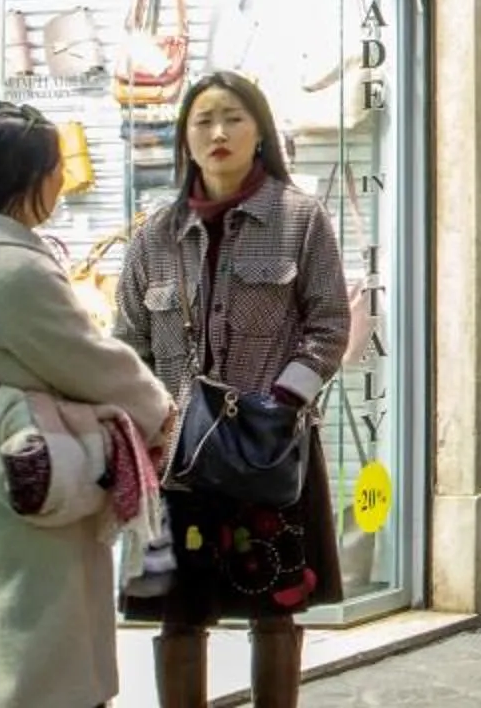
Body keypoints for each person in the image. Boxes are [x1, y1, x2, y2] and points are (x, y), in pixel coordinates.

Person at [114, 72, 351, 708]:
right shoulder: (153, 237)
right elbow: (128, 343)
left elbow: (329, 325)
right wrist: (153, 421)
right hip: (177, 458)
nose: (218, 133)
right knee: (178, 613)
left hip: (269, 450)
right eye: (203, 120)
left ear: (260, 130)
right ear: (184, 137)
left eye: (234, 117)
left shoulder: (299, 219)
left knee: (273, 607)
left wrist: (281, 406)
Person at [0, 106, 172, 708]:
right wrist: (159, 411)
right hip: (38, 500)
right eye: (58, 168)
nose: (63, 181)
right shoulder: (13, 271)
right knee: (44, 673)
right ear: (30, 179)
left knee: (12, 655)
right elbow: (93, 362)